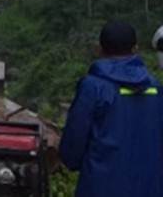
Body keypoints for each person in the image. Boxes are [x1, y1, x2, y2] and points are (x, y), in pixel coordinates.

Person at [60, 21, 163, 197]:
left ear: (100, 49)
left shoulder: (92, 88)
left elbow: (74, 141)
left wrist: (70, 161)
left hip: (100, 187)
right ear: (135, 48)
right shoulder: (155, 88)